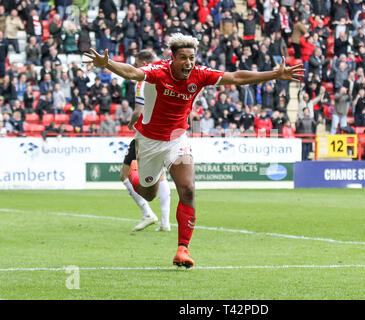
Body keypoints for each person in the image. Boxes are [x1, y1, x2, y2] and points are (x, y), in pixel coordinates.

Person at [83, 33, 304, 268]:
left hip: (177, 138)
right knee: (148, 193)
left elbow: (236, 77)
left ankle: (182, 250)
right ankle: (136, 171)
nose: (188, 63)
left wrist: (275, 74)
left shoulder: (200, 74)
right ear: (172, 58)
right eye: (183, 58)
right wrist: (107, 64)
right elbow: (132, 72)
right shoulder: (158, 71)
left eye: (192, 58)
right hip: (149, 141)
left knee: (187, 189)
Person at [120, 50, 171, 233]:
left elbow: (139, 111)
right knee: (162, 174)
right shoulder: (167, 77)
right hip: (165, 132)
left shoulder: (144, 81)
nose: (135, 67)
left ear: (143, 62)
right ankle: (165, 222)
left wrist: (132, 122)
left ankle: (147, 213)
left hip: (146, 134)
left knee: (125, 175)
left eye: (136, 63)